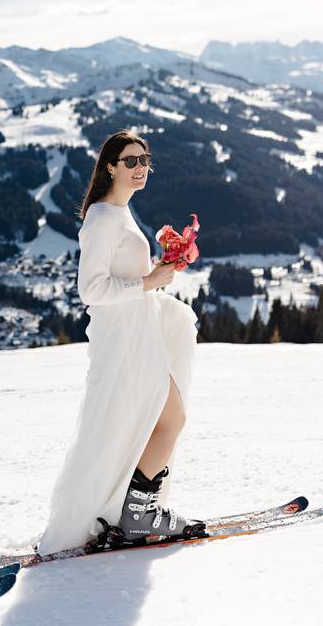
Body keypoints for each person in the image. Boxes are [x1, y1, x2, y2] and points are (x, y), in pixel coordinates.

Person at [37, 130, 199, 556]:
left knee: (144, 420)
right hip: (125, 340)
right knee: (167, 418)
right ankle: (138, 511)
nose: (141, 168)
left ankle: (133, 508)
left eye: (145, 160)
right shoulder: (102, 218)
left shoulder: (119, 213)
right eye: (131, 161)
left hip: (136, 333)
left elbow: (123, 275)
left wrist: (161, 269)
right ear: (110, 166)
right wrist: (148, 281)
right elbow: (92, 290)